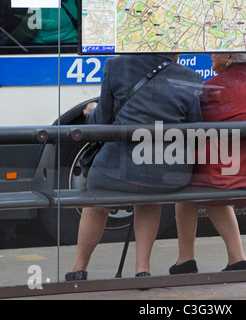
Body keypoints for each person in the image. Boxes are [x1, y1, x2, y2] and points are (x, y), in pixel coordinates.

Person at [66, 54, 202, 281]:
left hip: (115, 170)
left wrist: (91, 111)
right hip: (165, 173)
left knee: (96, 204)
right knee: (149, 200)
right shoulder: (190, 76)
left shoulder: (116, 65)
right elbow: (195, 128)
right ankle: (142, 269)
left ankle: (78, 268)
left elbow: (100, 123)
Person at [170, 53, 246, 274]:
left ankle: (186, 260)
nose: (210, 55)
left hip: (238, 168)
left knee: (187, 184)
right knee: (208, 180)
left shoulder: (216, 86)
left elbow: (191, 124)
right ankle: (237, 259)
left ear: (230, 56)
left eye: (216, 51)